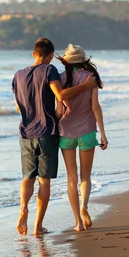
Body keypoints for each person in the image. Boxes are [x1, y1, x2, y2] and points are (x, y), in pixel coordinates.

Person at [13, 38, 97, 236]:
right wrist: (86, 86)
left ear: (34, 53)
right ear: (50, 56)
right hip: (47, 132)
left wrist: (30, 115)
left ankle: (23, 208)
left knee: (27, 177)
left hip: (25, 132)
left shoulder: (17, 75)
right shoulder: (49, 70)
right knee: (44, 180)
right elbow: (60, 96)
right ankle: (37, 226)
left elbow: (18, 106)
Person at [56, 44, 108, 232]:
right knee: (85, 177)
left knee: (71, 178)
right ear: (83, 60)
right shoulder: (90, 78)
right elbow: (95, 107)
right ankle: (85, 207)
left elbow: (60, 110)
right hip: (87, 131)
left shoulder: (60, 79)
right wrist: (102, 132)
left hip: (66, 132)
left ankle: (78, 222)